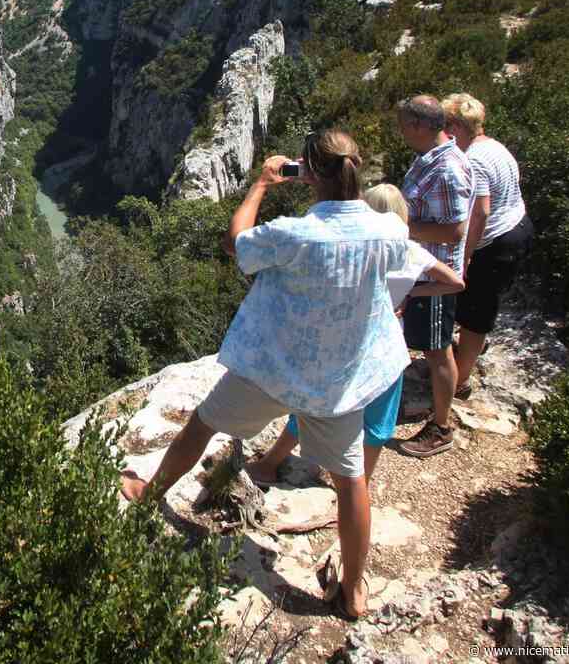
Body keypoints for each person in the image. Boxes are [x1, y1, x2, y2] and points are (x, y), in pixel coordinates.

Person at [120, 130, 410, 621]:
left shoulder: (293, 234)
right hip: (339, 381)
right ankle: (354, 590)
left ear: (308, 173)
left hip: (274, 368)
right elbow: (393, 254)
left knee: (203, 424)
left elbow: (236, 243)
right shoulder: (388, 231)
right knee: (350, 480)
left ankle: (150, 495)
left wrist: (261, 185)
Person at [245, 184, 465, 487]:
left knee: (312, 410)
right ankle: (359, 490)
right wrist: (412, 293)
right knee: (376, 424)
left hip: (343, 346)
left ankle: (268, 465)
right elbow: (455, 283)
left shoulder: (355, 250)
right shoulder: (409, 251)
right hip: (387, 354)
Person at [394, 96, 472, 459]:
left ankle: (441, 427)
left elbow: (455, 232)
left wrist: (401, 227)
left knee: (438, 351)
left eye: (404, 125)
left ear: (420, 126)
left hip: (435, 275)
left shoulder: (447, 170)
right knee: (431, 345)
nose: (401, 132)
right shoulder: (430, 159)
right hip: (423, 270)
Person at [441, 93, 533, 395]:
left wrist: (465, 255)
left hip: (495, 243)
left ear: (456, 127)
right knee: (479, 304)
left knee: (476, 314)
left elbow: (480, 211)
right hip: (516, 227)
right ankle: (468, 350)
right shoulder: (494, 146)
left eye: (445, 126)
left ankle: (460, 381)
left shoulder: (473, 159)